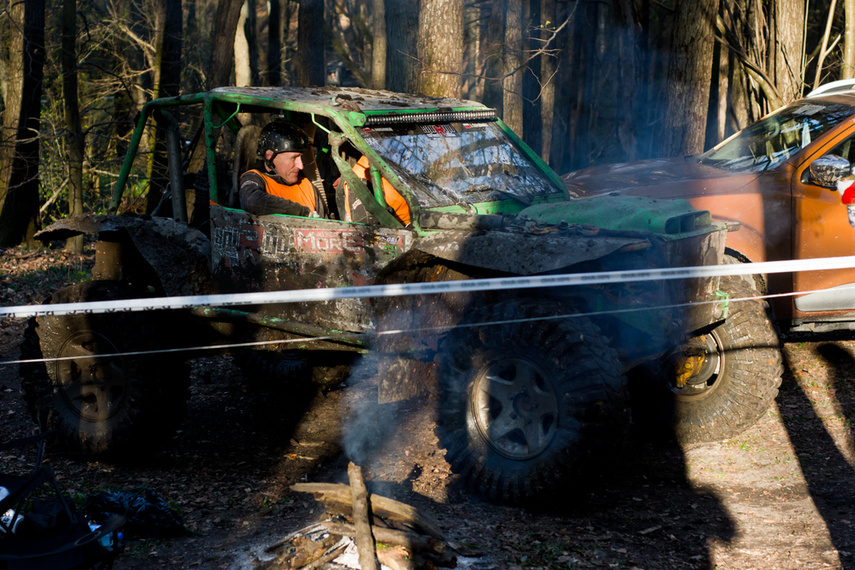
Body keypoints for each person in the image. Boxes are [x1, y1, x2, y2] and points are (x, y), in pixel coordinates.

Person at [239, 121, 327, 218]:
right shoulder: (254, 178)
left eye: (301, 158)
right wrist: (302, 212)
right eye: (294, 158)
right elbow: (251, 201)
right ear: (270, 156)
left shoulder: (307, 186)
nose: (301, 166)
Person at [341, 155, 411, 226]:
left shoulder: (409, 157)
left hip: (414, 221)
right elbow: (366, 227)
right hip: (398, 228)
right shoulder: (361, 175)